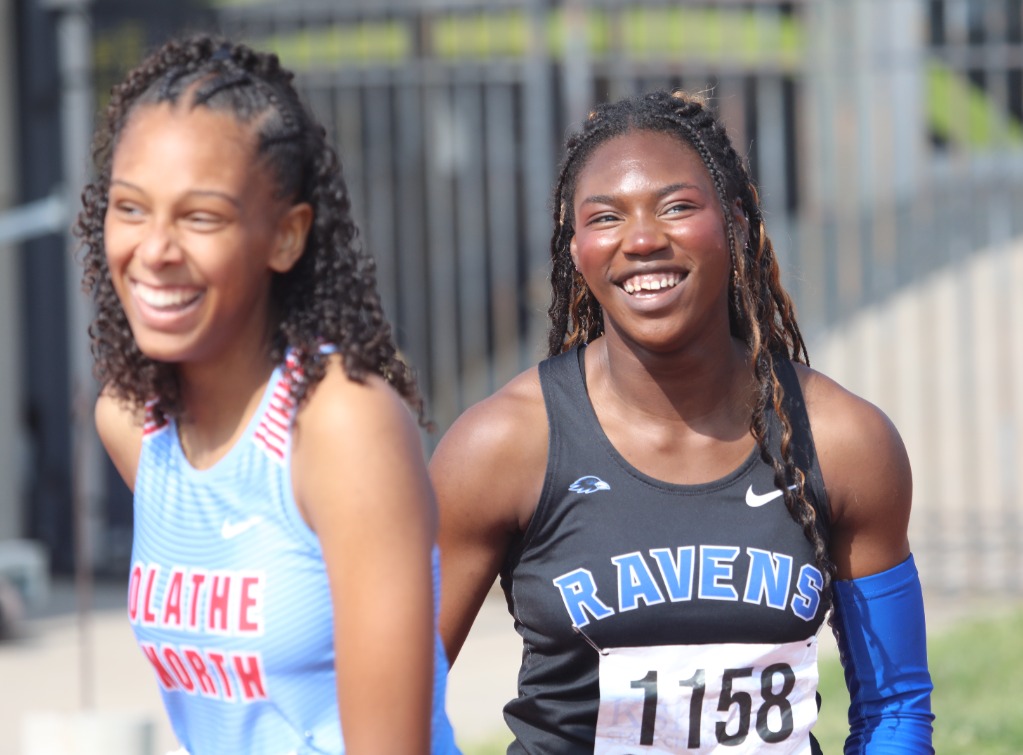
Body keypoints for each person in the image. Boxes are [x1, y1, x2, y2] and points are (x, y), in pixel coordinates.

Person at [430, 89, 934, 753]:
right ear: (574, 245)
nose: (641, 240)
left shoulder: (842, 439)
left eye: (676, 207)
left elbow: (894, 707)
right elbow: (393, 695)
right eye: (605, 216)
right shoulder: (502, 446)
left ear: (733, 220)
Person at [77, 33, 459, 755]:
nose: (154, 249)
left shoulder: (343, 422)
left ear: (286, 237)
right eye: (130, 208)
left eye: (200, 217)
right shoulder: (132, 424)